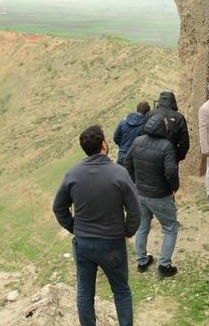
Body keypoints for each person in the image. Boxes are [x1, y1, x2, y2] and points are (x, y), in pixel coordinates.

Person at [52, 125, 140, 326]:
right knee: (121, 290)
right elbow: (135, 211)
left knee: (85, 292)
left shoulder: (73, 174)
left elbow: (58, 207)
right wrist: (127, 230)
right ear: (103, 144)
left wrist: (75, 228)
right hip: (112, 244)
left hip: (83, 244)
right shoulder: (119, 173)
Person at [123, 113, 180, 278]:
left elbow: (127, 163)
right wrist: (173, 188)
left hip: (140, 193)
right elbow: (171, 171)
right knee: (170, 228)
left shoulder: (137, 141)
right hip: (160, 195)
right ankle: (164, 265)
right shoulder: (166, 146)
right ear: (163, 128)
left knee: (142, 227)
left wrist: (134, 183)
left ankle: (141, 261)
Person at [145, 91, 190, 164]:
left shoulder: (150, 114)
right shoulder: (179, 117)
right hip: (170, 157)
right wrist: (177, 157)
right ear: (173, 101)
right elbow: (184, 142)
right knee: (170, 175)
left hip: (150, 156)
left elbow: (142, 135)